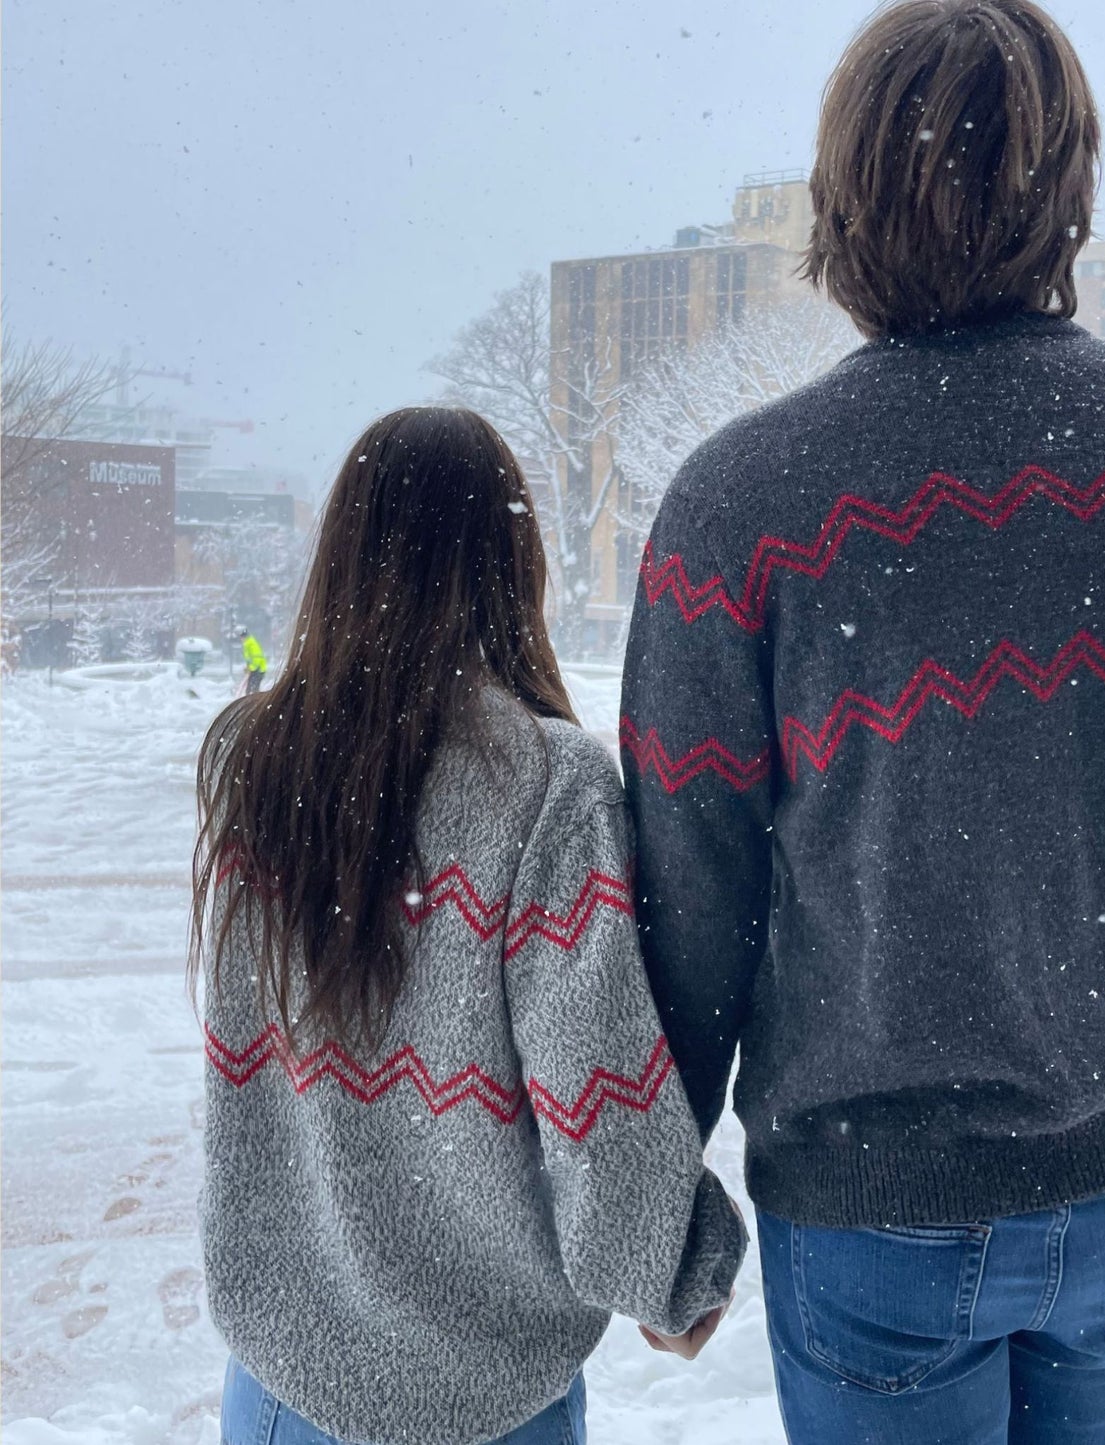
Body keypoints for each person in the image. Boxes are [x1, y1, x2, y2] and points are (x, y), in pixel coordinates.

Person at [620, 3, 1105, 1441]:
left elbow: (693, 886)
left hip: (876, 1203)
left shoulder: (744, 501)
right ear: (1070, 187)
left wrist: (653, 1183)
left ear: (845, 196)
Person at [192, 407, 745, 1445]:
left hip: (281, 1378)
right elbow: (594, 1080)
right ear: (510, 557)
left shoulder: (253, 759)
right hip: (492, 1389)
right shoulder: (545, 780)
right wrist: (675, 1267)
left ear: (340, 554)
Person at [236, 625, 267, 694]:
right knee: (250, 689)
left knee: (253, 689)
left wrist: (251, 668)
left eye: (241, 637)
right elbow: (249, 659)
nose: (240, 639)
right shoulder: (247, 644)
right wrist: (248, 667)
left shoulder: (251, 643)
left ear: (244, 637)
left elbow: (257, 658)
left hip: (259, 669)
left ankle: (256, 702)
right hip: (256, 669)